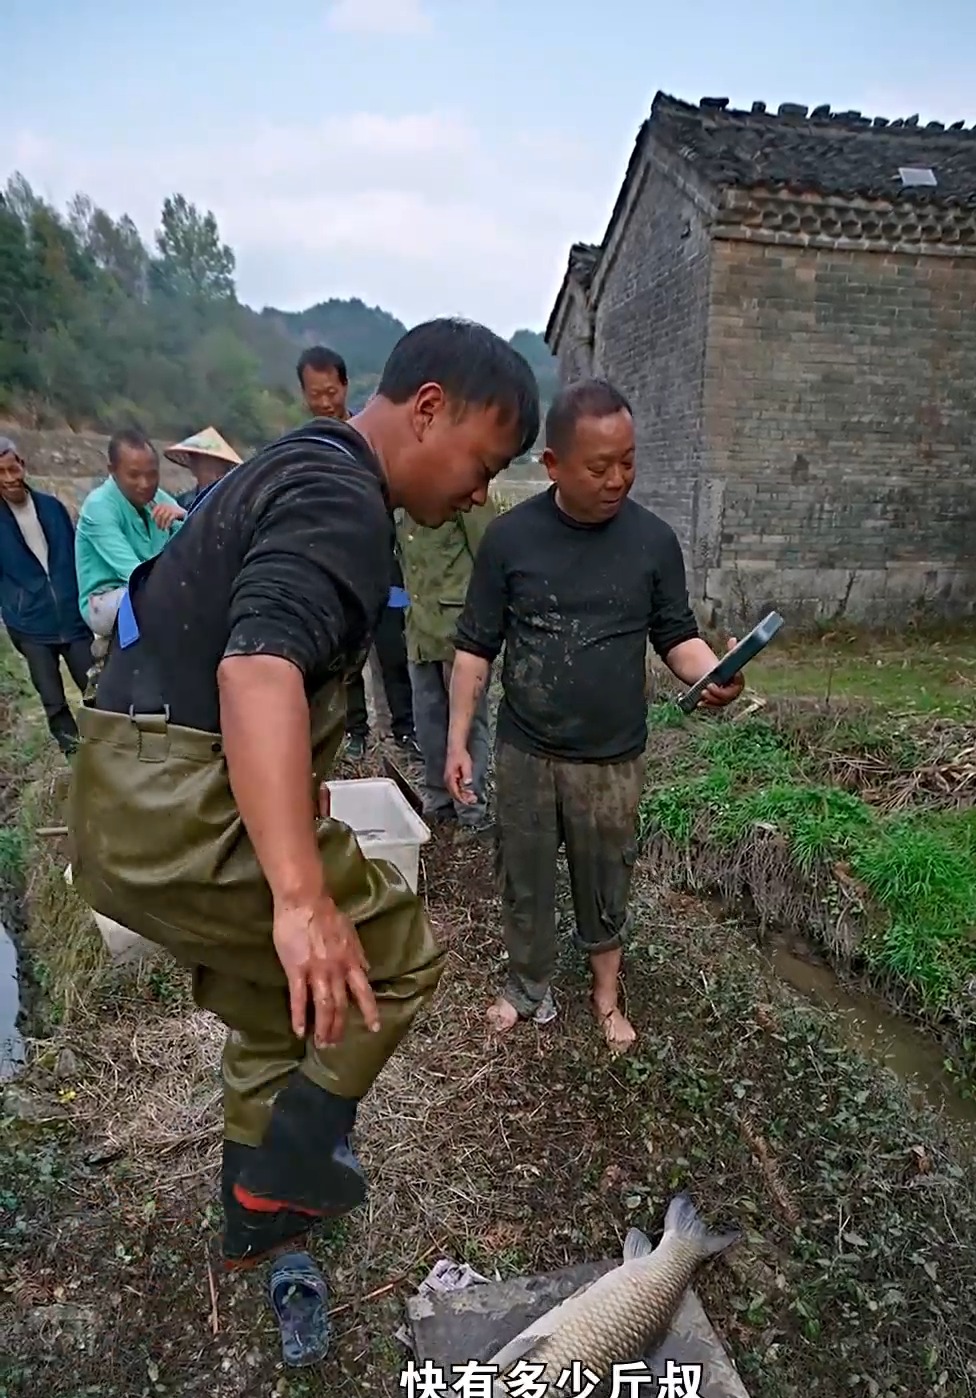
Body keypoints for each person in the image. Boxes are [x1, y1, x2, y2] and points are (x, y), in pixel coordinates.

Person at [69, 318, 539, 1364]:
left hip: (123, 791)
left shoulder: (292, 464)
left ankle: (256, 1215)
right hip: (181, 804)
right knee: (392, 956)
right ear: (427, 409)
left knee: (281, 1009)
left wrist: (298, 826)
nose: (479, 494)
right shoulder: (342, 498)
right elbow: (257, 671)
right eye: (482, 463)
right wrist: (299, 894)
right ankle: (289, 1166)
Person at [446, 378, 744, 1054]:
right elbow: (473, 650)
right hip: (526, 751)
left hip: (612, 757)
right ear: (553, 465)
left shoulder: (652, 541)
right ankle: (528, 986)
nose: (618, 479)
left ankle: (606, 995)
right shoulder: (509, 540)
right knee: (523, 875)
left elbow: (677, 636)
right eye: (600, 466)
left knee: (606, 876)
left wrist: (712, 672)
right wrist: (458, 740)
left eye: (629, 461)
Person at [296, 344, 417, 758]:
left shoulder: (370, 440)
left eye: (332, 391)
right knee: (344, 657)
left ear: (345, 386)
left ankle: (404, 729)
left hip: (385, 565)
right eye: (316, 394)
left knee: (393, 648)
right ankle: (355, 732)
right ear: (304, 395)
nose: (326, 402)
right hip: (335, 568)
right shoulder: (305, 447)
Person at [398, 500, 497, 830]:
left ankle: (471, 812)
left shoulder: (463, 498)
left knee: (468, 725)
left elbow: (490, 557)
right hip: (420, 632)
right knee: (428, 723)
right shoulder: (402, 501)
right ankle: (439, 804)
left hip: (460, 633)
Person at [0, 435, 93, 757]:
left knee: (96, 690)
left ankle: (110, 750)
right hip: (31, 627)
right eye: (1, 472)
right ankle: (76, 759)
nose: (10, 478)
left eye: (13, 469)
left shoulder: (52, 508)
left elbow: (75, 555)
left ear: (22, 466)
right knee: (53, 701)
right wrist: (14, 609)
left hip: (72, 615)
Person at [74, 429, 186, 653]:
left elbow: (194, 547)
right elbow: (134, 573)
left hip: (152, 585)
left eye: (152, 474)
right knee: (171, 596)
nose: (145, 484)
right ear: (112, 471)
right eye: (134, 475)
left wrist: (184, 516)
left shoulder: (161, 500)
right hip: (107, 600)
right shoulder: (99, 507)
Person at [163, 426, 243, 510]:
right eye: (207, 467)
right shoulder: (181, 502)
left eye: (219, 467)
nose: (214, 474)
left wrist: (185, 515)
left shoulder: (238, 500)